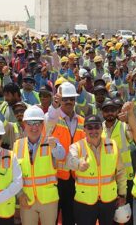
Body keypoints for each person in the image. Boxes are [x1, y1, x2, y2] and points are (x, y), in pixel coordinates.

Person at [67, 114, 127, 225]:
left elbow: (121, 172)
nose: (93, 130)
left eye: (97, 126)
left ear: (102, 128)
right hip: (85, 201)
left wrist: (122, 194)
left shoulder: (112, 145)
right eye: (90, 127)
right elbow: (70, 161)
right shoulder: (77, 146)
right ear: (84, 129)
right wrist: (78, 163)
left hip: (108, 200)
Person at [14, 105, 65, 225]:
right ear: (24, 125)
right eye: (30, 123)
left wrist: (55, 146)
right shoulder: (17, 145)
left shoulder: (51, 141)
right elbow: (14, 175)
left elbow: (61, 155)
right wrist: (20, 195)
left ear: (43, 125)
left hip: (48, 200)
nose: (34, 127)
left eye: (37, 123)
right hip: (27, 199)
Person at [47, 81, 85, 225]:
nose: (68, 102)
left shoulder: (82, 121)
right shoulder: (53, 118)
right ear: (60, 100)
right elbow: (49, 120)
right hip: (55, 177)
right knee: (52, 217)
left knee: (70, 217)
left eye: (71, 99)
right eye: (65, 99)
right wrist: (54, 107)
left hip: (74, 177)